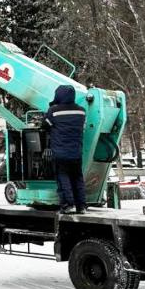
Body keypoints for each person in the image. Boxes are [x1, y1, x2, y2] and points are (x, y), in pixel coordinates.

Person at [43, 85, 87, 214]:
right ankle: (81, 206)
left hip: (61, 152)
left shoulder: (54, 111)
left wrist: (51, 107)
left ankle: (68, 204)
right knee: (78, 178)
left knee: (63, 178)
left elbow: (45, 125)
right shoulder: (81, 111)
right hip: (76, 152)